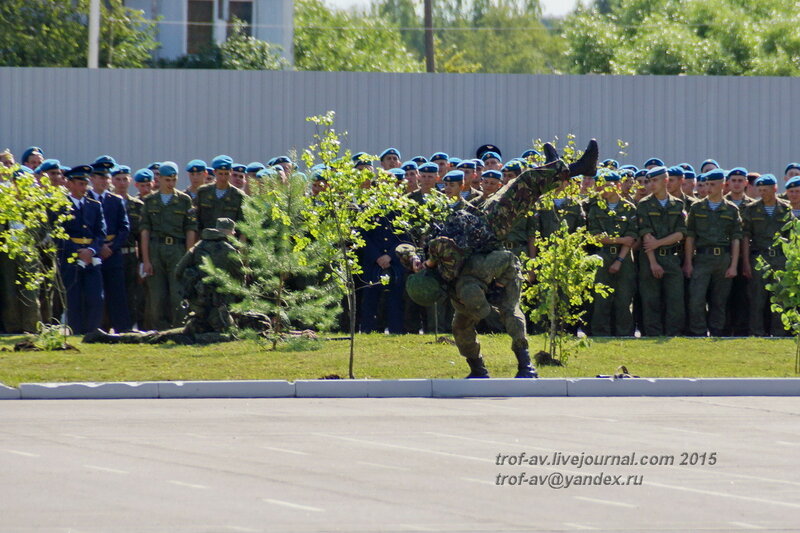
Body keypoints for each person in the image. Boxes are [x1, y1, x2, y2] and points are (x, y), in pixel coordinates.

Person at [400, 140, 598, 378]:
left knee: (517, 188)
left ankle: (555, 167)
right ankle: (519, 366)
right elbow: (453, 250)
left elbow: (402, 248)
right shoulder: (453, 272)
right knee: (521, 187)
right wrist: (499, 286)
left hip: (475, 224)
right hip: (489, 231)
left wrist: (412, 258)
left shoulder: (435, 271)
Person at [683, 169, 743, 337]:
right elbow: (690, 237)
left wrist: (733, 265)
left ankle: (717, 331)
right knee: (696, 298)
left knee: (719, 300)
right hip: (702, 257)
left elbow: (736, 239)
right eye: (707, 184)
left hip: (722, 258)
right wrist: (688, 262)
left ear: (723, 185)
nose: (708, 188)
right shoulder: (697, 207)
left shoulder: (731, 209)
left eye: (713, 184)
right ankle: (698, 331)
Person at [139, 163, 198, 330]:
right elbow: (144, 232)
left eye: (174, 180)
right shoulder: (150, 201)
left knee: (177, 294)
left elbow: (190, 230)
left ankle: (179, 329)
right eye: (167, 180)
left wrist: (189, 257)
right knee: (157, 296)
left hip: (177, 250)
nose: (171, 183)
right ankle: (160, 330)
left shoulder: (184, 200)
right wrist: (146, 260)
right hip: (155, 250)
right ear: (159, 179)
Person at [55, 165, 107, 334]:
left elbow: (100, 232)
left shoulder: (94, 205)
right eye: (79, 183)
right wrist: (77, 251)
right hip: (71, 258)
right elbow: (59, 233)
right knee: (73, 298)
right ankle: (76, 330)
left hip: (91, 258)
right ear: (69, 184)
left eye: (85, 184)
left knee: (95, 297)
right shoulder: (61, 206)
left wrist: (91, 250)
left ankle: (92, 331)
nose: (84, 188)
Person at [636, 166, 687, 336]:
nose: (651, 184)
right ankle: (653, 334)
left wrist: (658, 243)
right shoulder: (644, 204)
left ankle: (673, 334)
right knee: (651, 300)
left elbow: (681, 233)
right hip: (651, 259)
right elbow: (645, 235)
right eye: (649, 181)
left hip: (671, 257)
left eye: (655, 180)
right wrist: (653, 262)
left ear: (665, 180)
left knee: (675, 300)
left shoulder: (678, 204)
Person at [586, 171, 638, 336]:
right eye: (599, 186)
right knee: (601, 299)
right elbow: (595, 237)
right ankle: (601, 333)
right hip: (602, 256)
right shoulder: (595, 209)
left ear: (616, 186)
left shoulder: (629, 208)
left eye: (605, 186)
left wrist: (620, 259)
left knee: (624, 298)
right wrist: (620, 240)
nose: (601, 190)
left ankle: (624, 333)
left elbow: (631, 238)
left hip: (624, 258)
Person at [742, 175, 792, 337]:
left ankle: (779, 332)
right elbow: (745, 237)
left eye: (766, 190)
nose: (763, 193)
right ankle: (756, 332)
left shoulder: (786, 209)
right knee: (757, 298)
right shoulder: (751, 209)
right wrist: (746, 263)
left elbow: (791, 236)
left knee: (779, 298)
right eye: (760, 190)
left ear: (775, 189)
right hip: (759, 258)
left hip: (780, 258)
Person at [89, 155, 132, 332]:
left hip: (113, 252)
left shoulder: (115, 200)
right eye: (101, 177)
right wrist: (99, 247)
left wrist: (112, 247)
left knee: (117, 294)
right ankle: (95, 328)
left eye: (107, 177)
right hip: (94, 251)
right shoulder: (87, 199)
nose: (105, 181)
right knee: (94, 294)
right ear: (92, 178)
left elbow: (124, 227)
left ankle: (122, 329)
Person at [195, 155, 245, 232]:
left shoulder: (238, 196)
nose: (223, 178)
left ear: (231, 172)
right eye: (220, 174)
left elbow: (243, 225)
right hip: (206, 239)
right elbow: (196, 221)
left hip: (229, 240)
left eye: (226, 174)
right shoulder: (203, 192)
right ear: (214, 172)